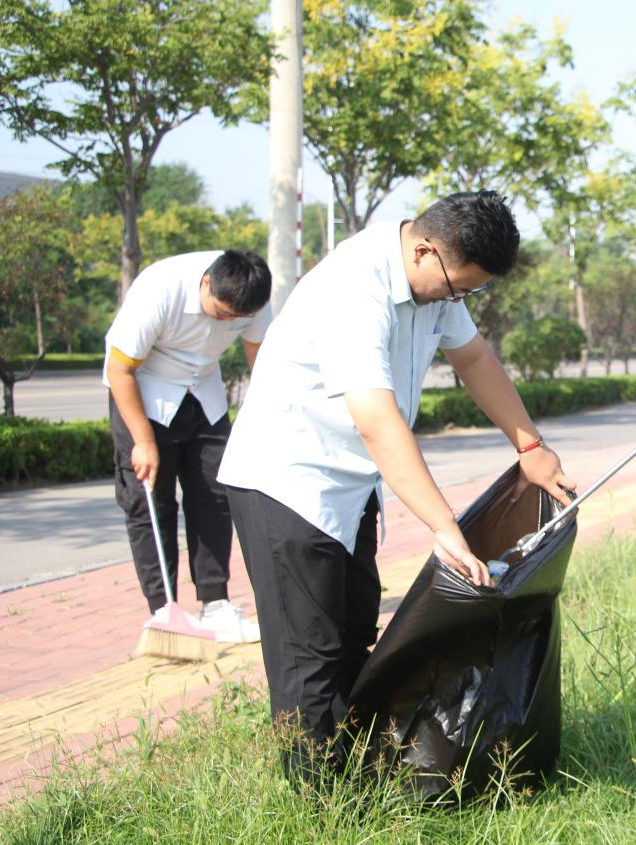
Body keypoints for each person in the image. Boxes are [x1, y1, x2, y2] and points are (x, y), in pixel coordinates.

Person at [218, 190, 576, 780]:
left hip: (349, 487)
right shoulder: (354, 289)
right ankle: (319, 808)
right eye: (459, 287)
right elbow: (378, 422)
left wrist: (530, 447)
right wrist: (445, 529)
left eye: (472, 291)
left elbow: (475, 361)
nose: (459, 300)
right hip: (286, 482)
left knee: (356, 635)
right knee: (311, 657)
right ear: (426, 249)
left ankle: (362, 780)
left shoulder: (433, 277)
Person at [104, 249, 272, 643]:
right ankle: (164, 609)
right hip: (143, 389)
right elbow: (120, 369)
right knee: (151, 501)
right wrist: (143, 441)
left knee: (215, 495)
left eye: (236, 318)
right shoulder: (159, 289)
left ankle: (215, 604)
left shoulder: (253, 297)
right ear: (206, 283)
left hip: (203, 389)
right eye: (222, 312)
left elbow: (259, 358)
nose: (228, 321)